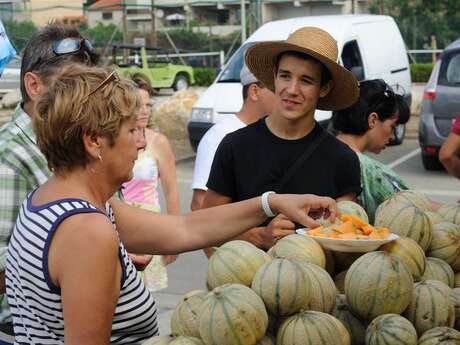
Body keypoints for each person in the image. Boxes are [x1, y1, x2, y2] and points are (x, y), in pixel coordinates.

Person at [5, 64, 338, 344]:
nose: (140, 142)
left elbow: (184, 228)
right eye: (131, 130)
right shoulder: (87, 231)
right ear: (94, 141)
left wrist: (272, 202)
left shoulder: (57, 200)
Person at [202, 26, 361, 251]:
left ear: (324, 88)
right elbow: (205, 228)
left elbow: (346, 241)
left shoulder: (342, 159)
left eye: (306, 80)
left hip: (316, 283)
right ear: (274, 76)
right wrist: (256, 237)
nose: (292, 90)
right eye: (285, 76)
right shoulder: (235, 146)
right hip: (245, 284)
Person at [0, 24, 100, 344]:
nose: (87, 97)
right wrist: (83, 268)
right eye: (73, 84)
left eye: (90, 84)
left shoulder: (71, 143)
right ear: (34, 85)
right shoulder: (10, 157)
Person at [190, 64, 275, 211]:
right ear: (254, 91)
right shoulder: (219, 136)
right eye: (275, 88)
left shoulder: (273, 135)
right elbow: (200, 204)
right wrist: (255, 234)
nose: (286, 93)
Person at [122, 78, 180, 292]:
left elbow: (172, 191)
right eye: (139, 105)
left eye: (148, 105)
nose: (145, 111)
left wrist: (174, 238)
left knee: (145, 297)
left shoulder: (158, 142)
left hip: (149, 226)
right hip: (119, 225)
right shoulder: (113, 141)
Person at [332, 79, 412, 222]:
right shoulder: (371, 170)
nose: (393, 137)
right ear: (373, 120)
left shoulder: (319, 146)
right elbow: (415, 206)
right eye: (392, 126)